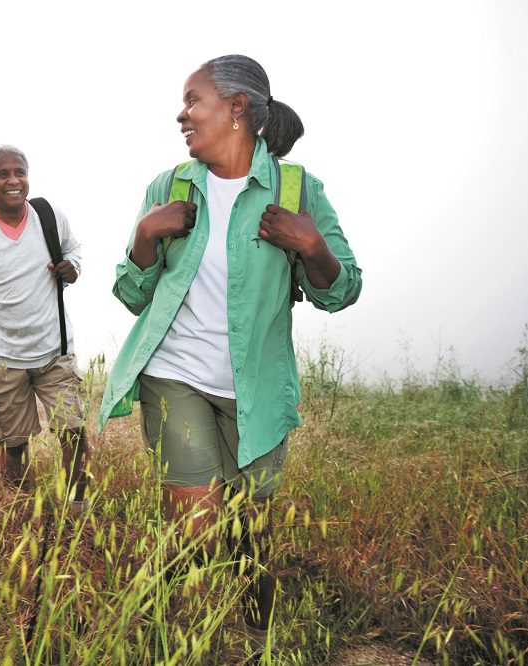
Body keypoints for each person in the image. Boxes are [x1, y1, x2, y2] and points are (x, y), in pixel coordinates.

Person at [97, 55, 361, 645]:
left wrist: (311, 245)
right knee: (194, 529)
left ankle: (257, 636)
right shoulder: (170, 187)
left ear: (237, 109)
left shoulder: (298, 191)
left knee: (252, 530)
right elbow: (131, 290)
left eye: (193, 101)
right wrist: (145, 235)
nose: (181, 115)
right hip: (174, 375)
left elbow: (342, 290)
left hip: (254, 388)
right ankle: (175, 639)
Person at [0, 145, 90, 509]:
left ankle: (78, 510)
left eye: (19, 172)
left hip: (55, 351)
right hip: (0, 358)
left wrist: (73, 268)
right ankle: (20, 510)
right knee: (14, 444)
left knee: (73, 434)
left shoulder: (49, 216)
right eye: (3, 174)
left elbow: (74, 253)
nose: (13, 181)